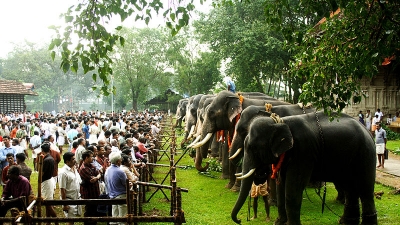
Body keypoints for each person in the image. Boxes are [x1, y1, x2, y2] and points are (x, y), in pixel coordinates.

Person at [79, 150, 101, 225]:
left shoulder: (91, 165)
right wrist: (97, 177)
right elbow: (91, 180)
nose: (93, 158)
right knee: (89, 210)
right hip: (88, 193)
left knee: (94, 210)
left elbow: (98, 174)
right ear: (86, 157)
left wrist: (97, 177)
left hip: (95, 192)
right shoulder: (83, 168)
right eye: (91, 157)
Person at [105, 152, 128, 225]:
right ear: (118, 161)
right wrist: (129, 184)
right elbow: (125, 184)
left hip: (112, 195)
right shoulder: (120, 171)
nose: (121, 160)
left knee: (115, 215)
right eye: (120, 159)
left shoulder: (108, 169)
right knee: (122, 217)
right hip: (121, 195)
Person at [59, 152, 82, 224]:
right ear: (67, 161)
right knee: (70, 221)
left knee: (74, 219)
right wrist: (65, 204)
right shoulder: (63, 173)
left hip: (77, 197)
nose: (75, 160)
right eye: (73, 159)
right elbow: (62, 189)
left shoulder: (75, 169)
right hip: (69, 199)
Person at [40, 141, 58, 222]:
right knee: (47, 203)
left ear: (42, 150)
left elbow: (42, 173)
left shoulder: (46, 160)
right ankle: (48, 221)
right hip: (49, 180)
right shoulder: (50, 158)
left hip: (46, 181)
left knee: (47, 204)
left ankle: (55, 220)